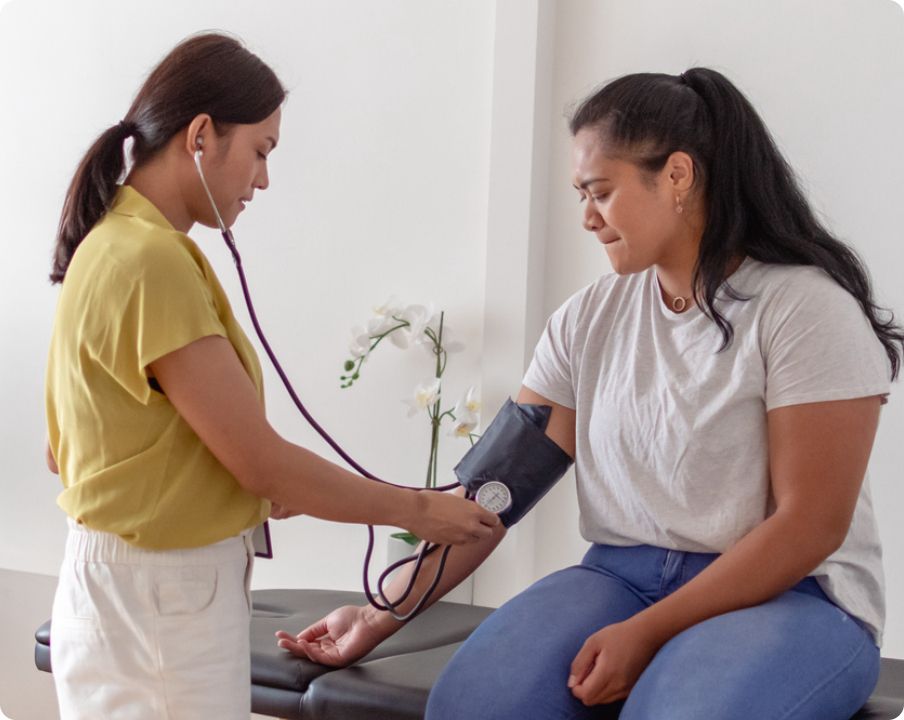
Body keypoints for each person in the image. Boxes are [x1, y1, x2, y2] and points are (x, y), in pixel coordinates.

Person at [275, 67, 904, 719]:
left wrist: (650, 632)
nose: (587, 218)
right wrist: (379, 614)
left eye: (600, 193)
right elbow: (495, 493)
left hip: (794, 596)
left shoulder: (803, 311)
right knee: (475, 703)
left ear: (678, 176)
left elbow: (810, 526)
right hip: (620, 576)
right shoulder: (589, 318)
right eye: (580, 195)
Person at [44, 32, 498, 720]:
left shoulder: (112, 245)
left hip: (127, 593)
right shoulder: (150, 262)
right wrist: (419, 510)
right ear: (201, 136)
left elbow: (70, 453)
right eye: (260, 150)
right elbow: (262, 465)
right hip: (160, 602)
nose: (262, 179)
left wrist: (235, 479)